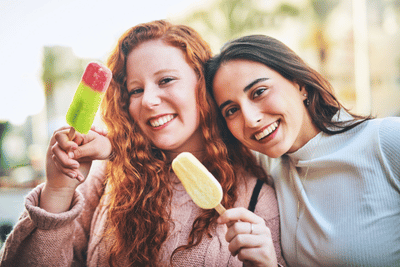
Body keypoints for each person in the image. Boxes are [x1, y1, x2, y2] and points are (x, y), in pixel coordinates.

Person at [0, 21, 286, 267]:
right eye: (135, 89)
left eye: (166, 80)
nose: (148, 100)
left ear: (203, 84)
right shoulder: (104, 178)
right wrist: (58, 189)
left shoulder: (257, 197)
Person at [205, 34, 400, 266]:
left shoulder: (386, 140)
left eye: (259, 92)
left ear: (300, 84)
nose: (250, 119)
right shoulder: (266, 168)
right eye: (231, 110)